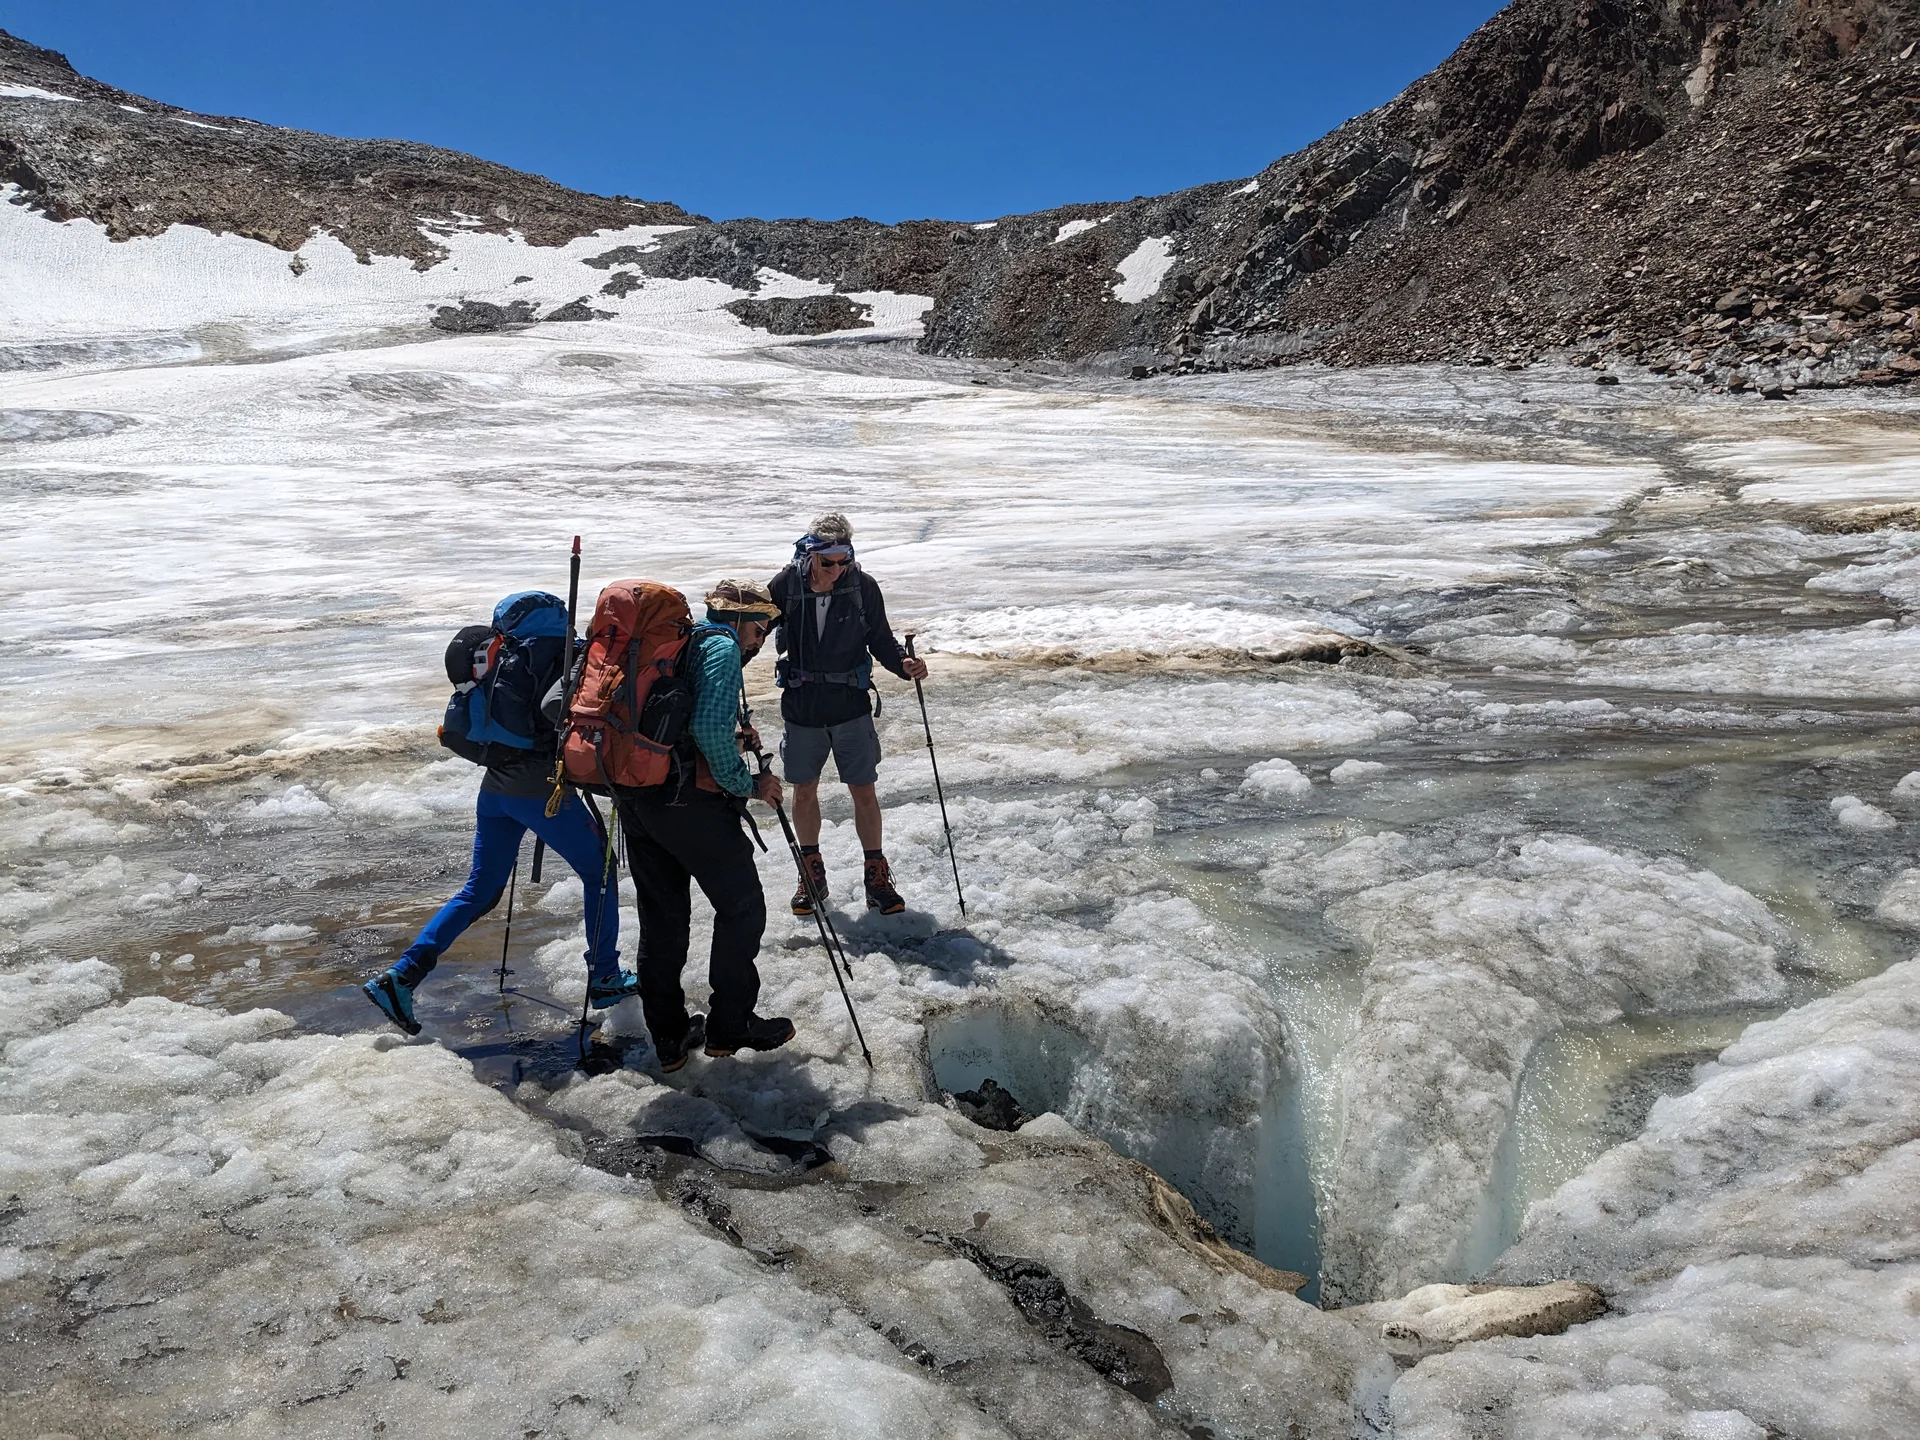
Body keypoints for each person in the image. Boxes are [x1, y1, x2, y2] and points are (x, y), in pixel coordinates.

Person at [363, 630, 633, 1036]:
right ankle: (606, 975)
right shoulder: (568, 657)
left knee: (479, 891)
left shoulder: (510, 661)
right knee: (601, 871)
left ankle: (400, 977)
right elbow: (558, 711)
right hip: (540, 791)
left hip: (495, 790)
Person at [615, 579, 793, 1070]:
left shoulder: (685, 643)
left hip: (640, 799)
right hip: (688, 806)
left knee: (663, 922)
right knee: (742, 908)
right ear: (742, 621)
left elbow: (680, 725)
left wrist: (731, 743)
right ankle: (730, 1024)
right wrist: (749, 785)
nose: (761, 639)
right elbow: (707, 730)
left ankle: (669, 1039)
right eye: (761, 627)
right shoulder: (720, 647)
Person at [767, 512, 928, 918]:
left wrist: (903, 667)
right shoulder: (785, 586)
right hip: (803, 705)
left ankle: (876, 876)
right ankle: (812, 873)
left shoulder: (862, 586)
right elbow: (754, 631)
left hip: (851, 704)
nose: (837, 570)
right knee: (804, 789)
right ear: (809, 556)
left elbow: (880, 638)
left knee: (863, 789)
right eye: (828, 562)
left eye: (844, 560)